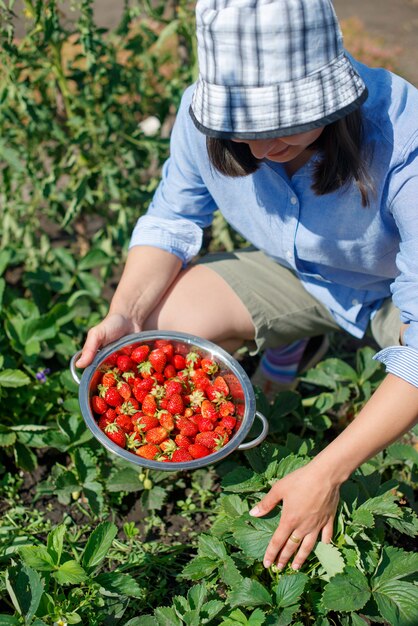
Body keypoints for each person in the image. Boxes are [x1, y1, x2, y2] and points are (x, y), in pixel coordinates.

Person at [76, 0, 418, 571]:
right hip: (296, 271)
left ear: (334, 94)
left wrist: (326, 471)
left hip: (392, 289)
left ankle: (301, 347)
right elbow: (172, 220)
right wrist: (126, 316)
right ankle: (292, 343)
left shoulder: (405, 140)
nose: (260, 148)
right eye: (243, 129)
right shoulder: (198, 112)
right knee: (165, 328)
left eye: (284, 125)